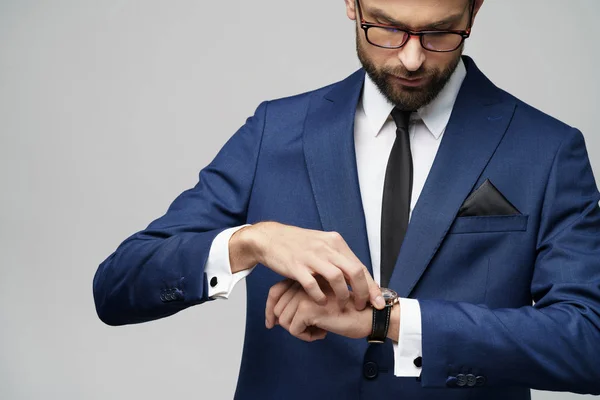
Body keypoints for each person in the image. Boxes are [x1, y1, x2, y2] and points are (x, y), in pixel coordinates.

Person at [92, 0, 600, 398]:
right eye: (386, 27)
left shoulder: (547, 150)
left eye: (439, 31)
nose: (411, 57)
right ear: (351, 5)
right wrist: (252, 242)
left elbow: (589, 345)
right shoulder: (276, 130)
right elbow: (117, 287)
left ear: (476, 8)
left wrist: (391, 321)